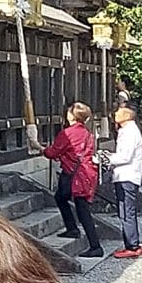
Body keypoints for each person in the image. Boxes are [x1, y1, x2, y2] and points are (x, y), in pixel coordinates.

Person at [43, 103, 103, 260]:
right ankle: (72, 228)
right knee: (61, 197)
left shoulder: (68, 133)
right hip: (85, 173)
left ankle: (95, 246)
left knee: (82, 209)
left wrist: (42, 149)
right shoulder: (87, 133)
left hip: (73, 173)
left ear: (72, 116)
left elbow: (53, 152)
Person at [108, 103, 142, 258]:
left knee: (127, 211)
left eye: (119, 110)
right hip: (125, 176)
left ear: (128, 114)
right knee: (124, 211)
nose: (116, 113)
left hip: (127, 176)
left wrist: (107, 158)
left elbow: (125, 156)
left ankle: (133, 245)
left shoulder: (130, 132)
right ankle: (130, 243)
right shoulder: (126, 130)